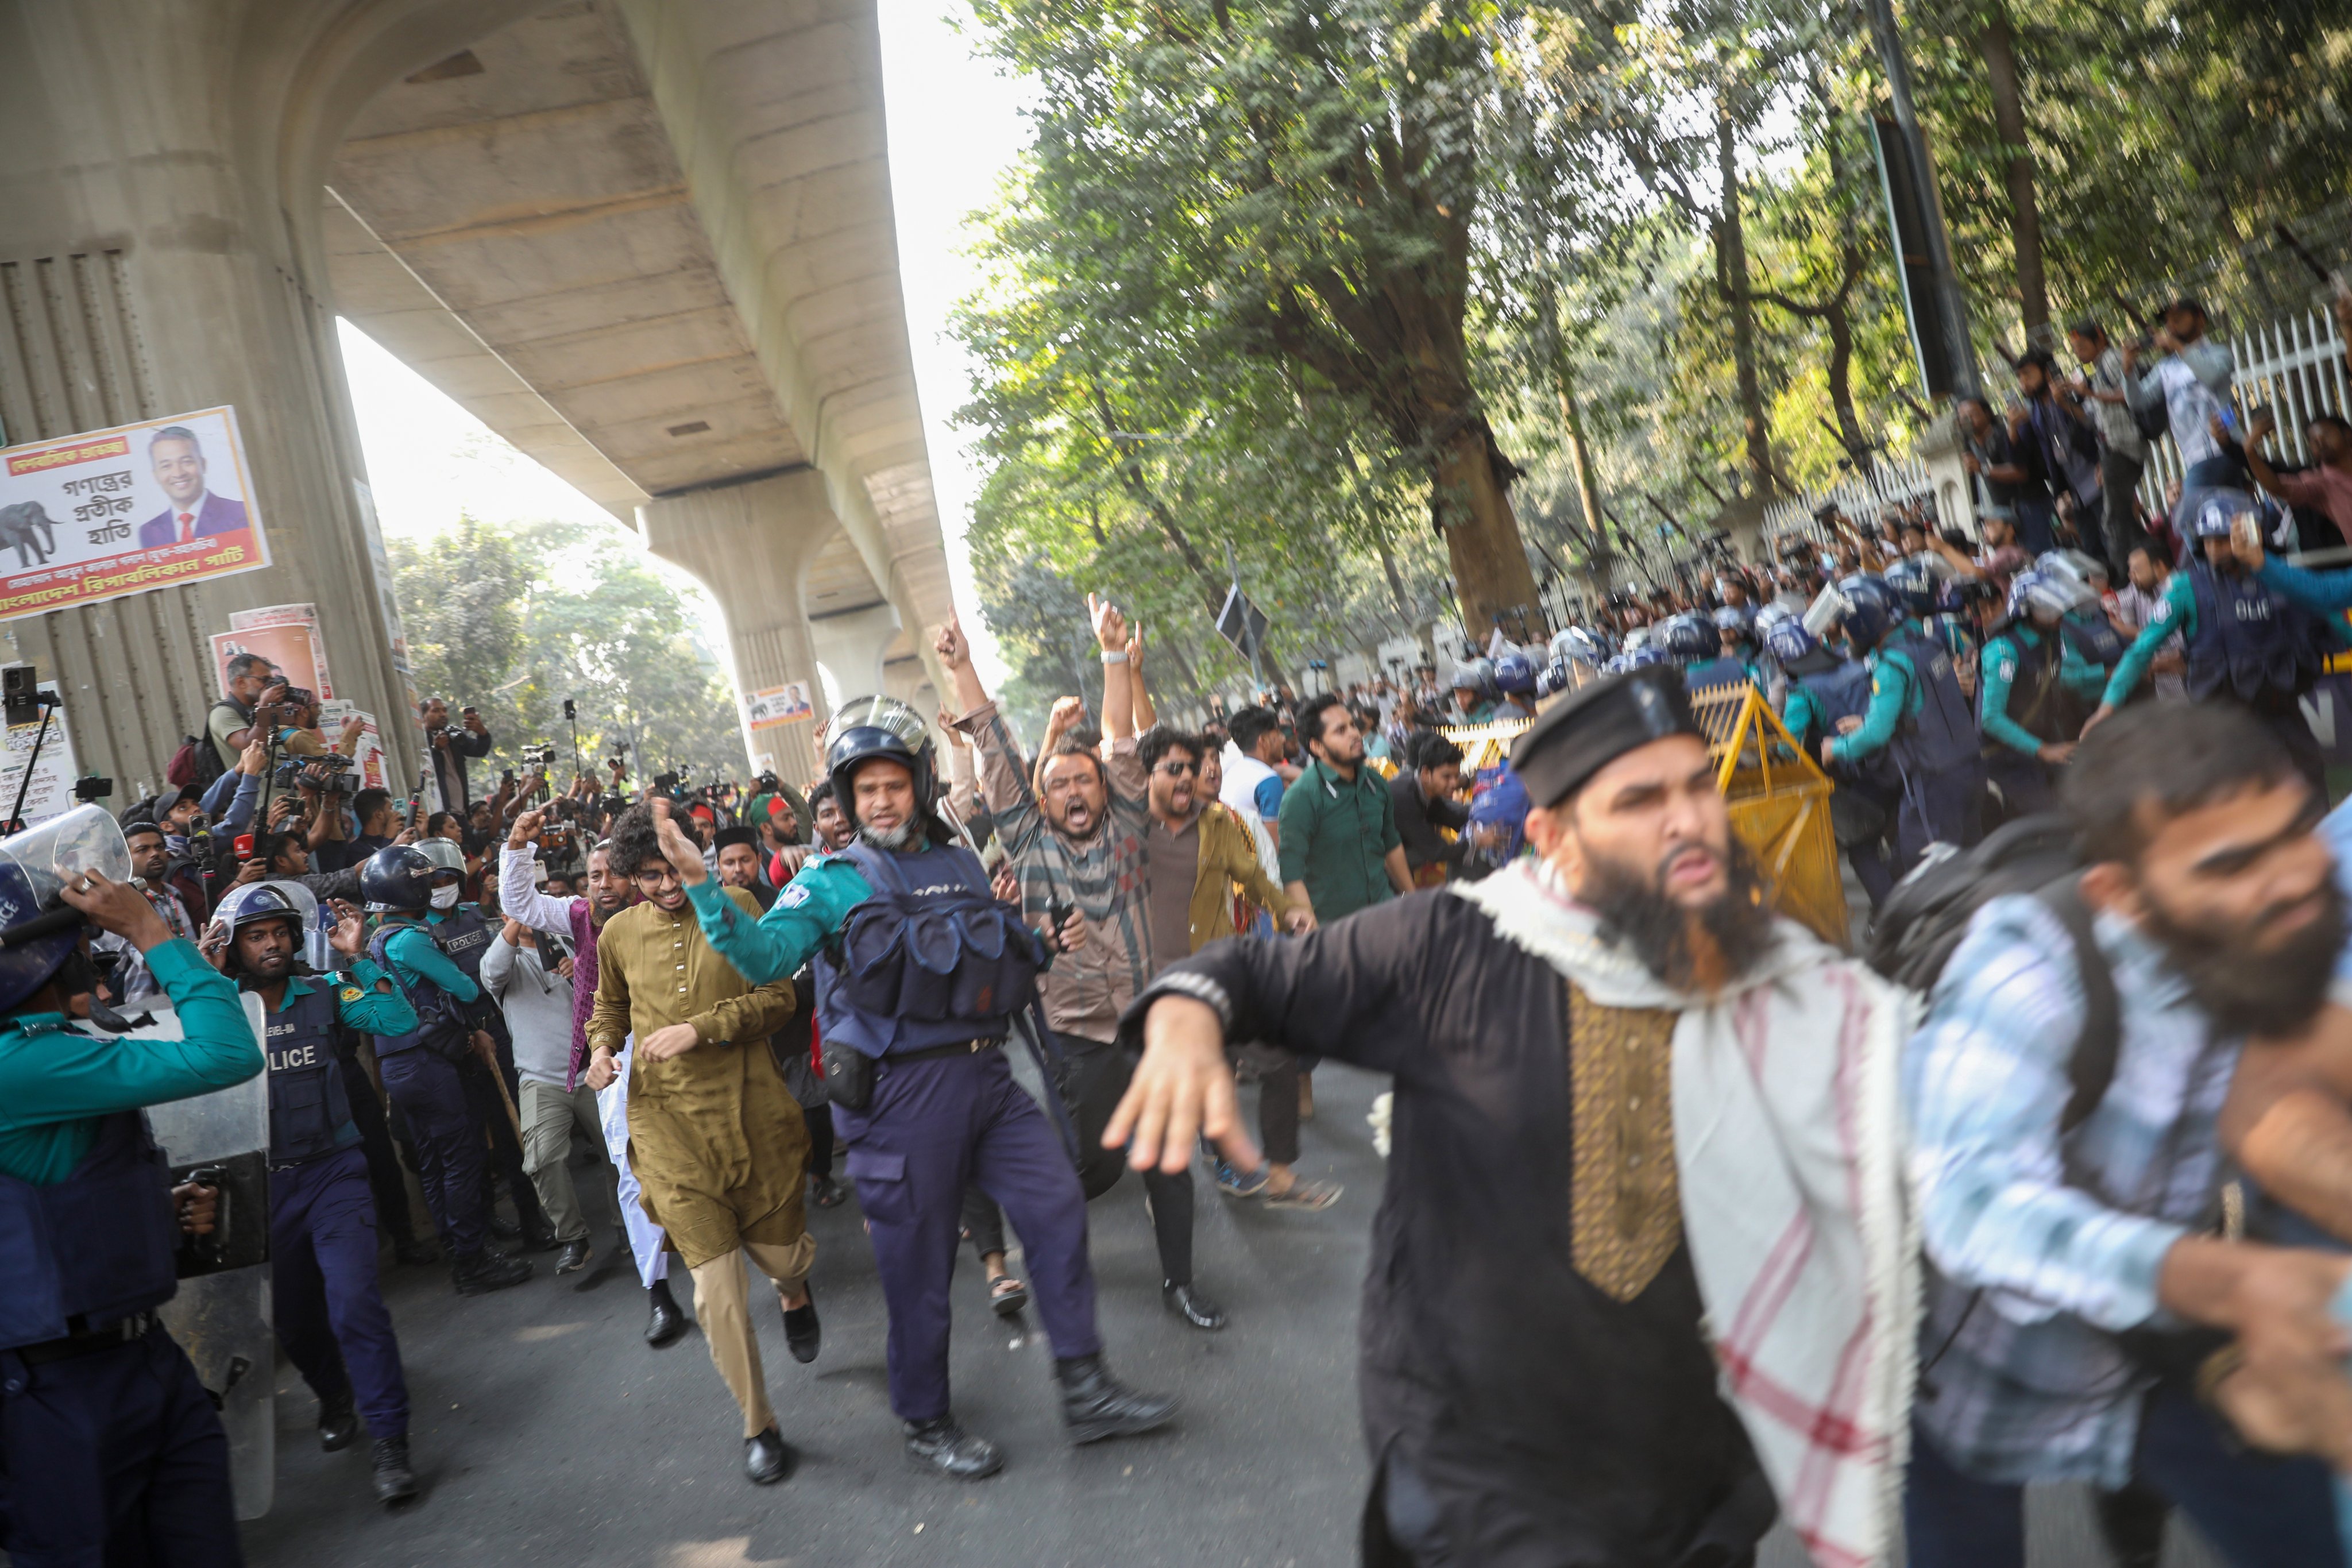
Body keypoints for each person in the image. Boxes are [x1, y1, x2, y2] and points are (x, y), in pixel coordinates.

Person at [1110, 666, 1922, 1566]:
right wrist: (1184, 1019)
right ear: (1553, 839)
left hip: (1682, 1470)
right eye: (1640, 800)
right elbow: (1253, 975)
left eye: (1698, 785)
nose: (1688, 817)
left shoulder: (1780, 985)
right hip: (1480, 1472)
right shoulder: (1454, 944)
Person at [673, 691, 1174, 1481]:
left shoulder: (957, 860)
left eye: (892, 784)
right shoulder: (831, 880)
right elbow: (765, 958)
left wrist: (1035, 944)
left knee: (1053, 1208)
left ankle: (1085, 1390)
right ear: (843, 796)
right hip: (901, 1098)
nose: (879, 800)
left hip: (986, 1076)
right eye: (863, 788)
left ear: (917, 782)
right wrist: (703, 885)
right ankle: (925, 1416)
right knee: (919, 1269)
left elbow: (978, 957)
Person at [1901, 701, 2352, 1568]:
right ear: (2118, 893)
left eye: (2293, 832)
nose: (2290, 878)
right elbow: (1970, 1200)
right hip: (1981, 1374)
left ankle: (2132, 1509)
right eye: (2228, 864)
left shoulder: (2286, 932)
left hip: (2167, 1356)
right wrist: (2220, 1280)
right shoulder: (2027, 976)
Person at [0, 864, 263, 1567]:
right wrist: (150, 929)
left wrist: (147, 1214)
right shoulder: (23, 1066)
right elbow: (227, 1054)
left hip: (137, 1359)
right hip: (57, 1395)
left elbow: (50, 1198)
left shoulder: (38, 1059)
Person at [586, 804, 814, 1485]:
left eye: (670, 870)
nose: (664, 887)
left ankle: (797, 1293)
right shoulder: (618, 933)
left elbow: (780, 999)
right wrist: (602, 1051)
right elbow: (609, 1008)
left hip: (753, 1116)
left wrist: (703, 1028)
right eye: (648, 877)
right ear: (630, 877)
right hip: (667, 1129)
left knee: (782, 1257)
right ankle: (759, 1422)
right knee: (715, 1291)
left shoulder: (736, 903)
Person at [201, 881, 422, 1504]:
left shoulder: (327, 994)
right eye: (255, 935)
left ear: (296, 939)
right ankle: (334, 1395)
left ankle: (391, 1441)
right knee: (296, 1321)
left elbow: (399, 1019)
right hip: (262, 1186)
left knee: (356, 1303)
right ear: (235, 947)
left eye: (279, 933)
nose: (271, 944)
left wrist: (358, 957)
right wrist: (200, 978)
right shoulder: (220, 1009)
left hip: (334, 1172)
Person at [499, 812, 687, 1346]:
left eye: (613, 874)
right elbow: (521, 905)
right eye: (594, 876)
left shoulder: (675, 909)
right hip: (614, 1059)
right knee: (630, 1170)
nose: (603, 885)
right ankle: (659, 1294)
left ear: (638, 874)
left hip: (683, 1049)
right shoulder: (581, 918)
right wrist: (516, 845)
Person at [359, 844, 535, 1296]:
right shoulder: (411, 939)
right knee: (461, 1161)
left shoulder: (375, 940)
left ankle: (459, 1252)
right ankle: (472, 1261)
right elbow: (460, 984)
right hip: (429, 1059)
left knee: (436, 1164)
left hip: (396, 1061)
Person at [2090, 494, 2330, 786]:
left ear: (2250, 535)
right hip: (2224, 717)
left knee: (2310, 774)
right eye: (2208, 541)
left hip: (2280, 706)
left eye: (2223, 539)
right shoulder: (2186, 588)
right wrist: (2107, 707)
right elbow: (2141, 652)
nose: (2215, 550)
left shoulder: (2281, 577)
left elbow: (2331, 619)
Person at [1817, 574, 1982, 866]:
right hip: (1968, 765)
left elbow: (1877, 735)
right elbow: (1924, 705)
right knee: (1970, 859)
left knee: (1927, 867)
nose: (1843, 635)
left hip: (1935, 779)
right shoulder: (1928, 645)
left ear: (1861, 624)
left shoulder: (1891, 667)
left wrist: (1836, 749)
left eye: (1845, 626)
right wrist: (1868, 722)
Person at [482, 912, 608, 1277]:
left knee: (620, 1153)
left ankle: (628, 1225)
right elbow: (491, 973)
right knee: (541, 1159)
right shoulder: (504, 958)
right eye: (514, 910)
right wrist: (516, 920)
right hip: (541, 1078)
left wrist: (581, 971)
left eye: (529, 908)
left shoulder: (568, 947)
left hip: (591, 1071)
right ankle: (573, 1238)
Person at [1770, 616, 1898, 907]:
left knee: (1862, 850)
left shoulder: (1803, 692)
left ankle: (1892, 913)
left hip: (1864, 770)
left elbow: (1789, 749)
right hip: (1899, 759)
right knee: (1898, 834)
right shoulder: (1853, 661)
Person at [1976, 567, 2106, 822]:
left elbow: (2058, 687)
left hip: (2043, 745)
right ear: (2027, 610)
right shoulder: (2003, 651)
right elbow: (1990, 718)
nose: (2058, 612)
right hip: (2007, 759)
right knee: (2053, 822)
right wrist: (2043, 750)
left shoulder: (2052, 638)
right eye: (2049, 607)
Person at [1280, 692, 1411, 926]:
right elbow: (1291, 874)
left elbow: (1391, 844)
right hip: (1337, 931)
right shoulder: (1301, 798)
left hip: (1387, 915)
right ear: (1317, 747)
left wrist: (1413, 899)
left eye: (1352, 725)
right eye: (1340, 731)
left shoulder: (1376, 783)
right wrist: (1313, 932)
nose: (1354, 733)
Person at [2068, 319, 2152, 570]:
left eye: (2082, 345)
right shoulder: (2098, 369)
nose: (2079, 352)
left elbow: (2131, 395)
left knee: (2114, 521)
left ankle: (2127, 575)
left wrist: (2090, 394)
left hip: (2125, 446)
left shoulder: (2113, 360)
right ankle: (2152, 558)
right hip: (2112, 449)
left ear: (2100, 337)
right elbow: (2095, 421)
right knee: (2121, 516)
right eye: (2075, 349)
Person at [2239, 406, 2352, 547]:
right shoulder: (2319, 482)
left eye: (2327, 435)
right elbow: (2280, 488)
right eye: (2314, 441)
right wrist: (2250, 451)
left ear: (2347, 435)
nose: (2320, 443)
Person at [136, 424, 250, 549]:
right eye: (166, 466)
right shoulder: (149, 532)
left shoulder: (241, 513)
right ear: (155, 476)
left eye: (186, 462)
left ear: (203, 464)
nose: (178, 473)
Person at [1389, 731, 1470, 890]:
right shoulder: (1405, 797)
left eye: (1456, 776)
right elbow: (1436, 851)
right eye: (1447, 777)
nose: (1454, 783)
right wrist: (1476, 842)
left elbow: (1455, 819)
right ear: (1426, 773)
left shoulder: (1427, 793)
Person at [418, 697, 492, 814]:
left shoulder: (453, 736)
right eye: (436, 711)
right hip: (439, 814)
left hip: (461, 812)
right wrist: (436, 750)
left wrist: (482, 733)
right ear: (423, 715)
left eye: (444, 710)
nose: (443, 714)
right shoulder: (420, 740)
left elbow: (479, 750)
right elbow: (425, 773)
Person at [712, 825, 775, 910]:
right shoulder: (711, 906)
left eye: (745, 860)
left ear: (759, 859)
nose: (738, 869)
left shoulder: (777, 902)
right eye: (730, 863)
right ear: (719, 865)